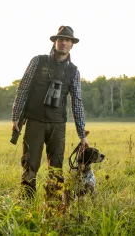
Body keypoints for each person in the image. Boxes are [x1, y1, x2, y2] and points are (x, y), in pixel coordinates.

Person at [11, 25, 90, 198]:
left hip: (57, 125)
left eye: (67, 40)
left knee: (56, 167)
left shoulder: (73, 71)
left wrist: (82, 134)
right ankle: (26, 203)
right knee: (30, 164)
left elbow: (76, 102)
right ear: (55, 42)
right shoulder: (37, 61)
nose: (64, 43)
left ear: (72, 45)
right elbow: (23, 88)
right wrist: (16, 116)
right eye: (61, 39)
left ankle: (53, 208)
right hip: (35, 121)